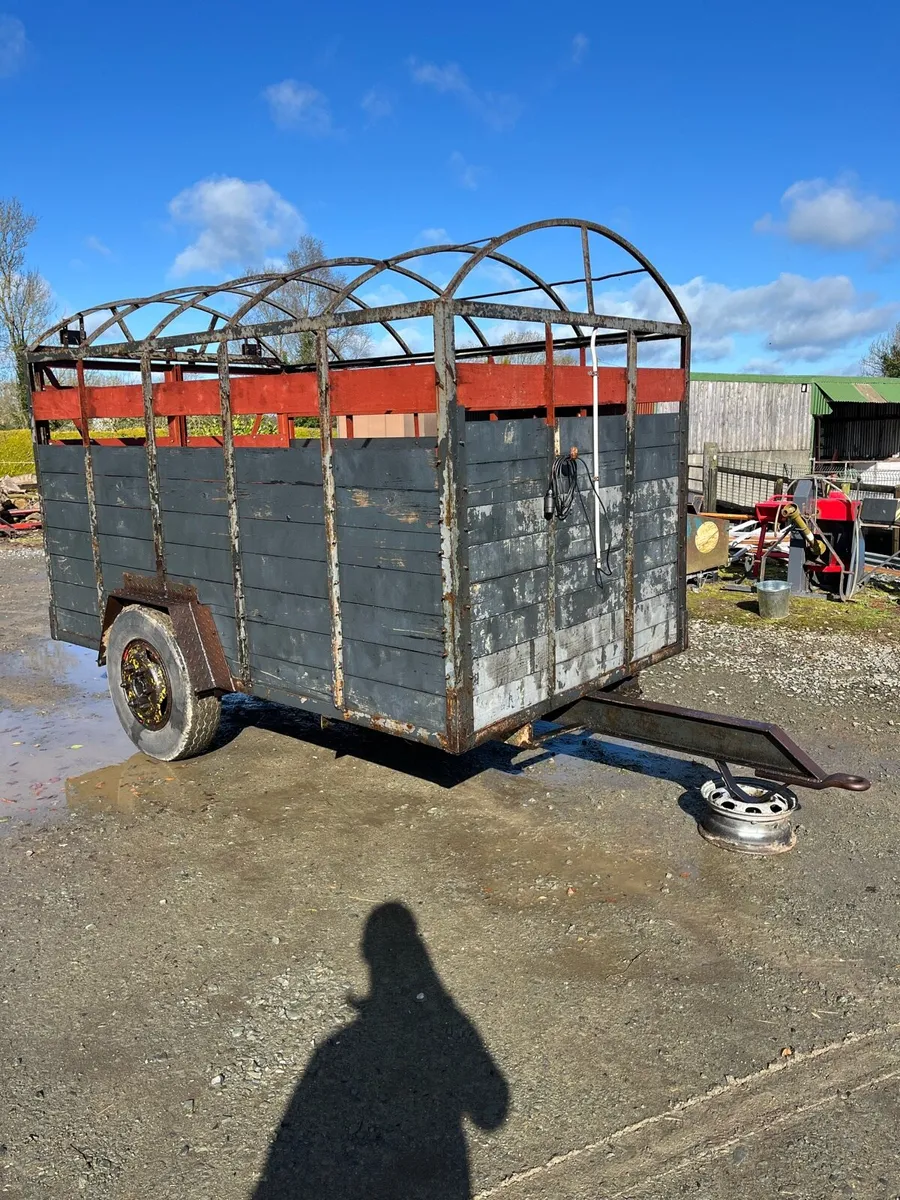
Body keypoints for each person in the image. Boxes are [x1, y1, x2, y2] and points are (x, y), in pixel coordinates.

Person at [253, 901, 509, 1199]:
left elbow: (294, 1153)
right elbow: (491, 1112)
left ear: (366, 954)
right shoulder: (449, 1027)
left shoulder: (334, 1051)